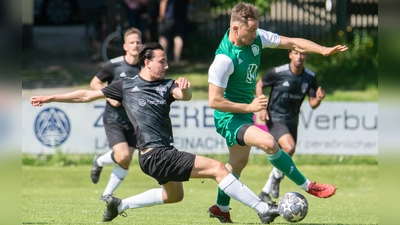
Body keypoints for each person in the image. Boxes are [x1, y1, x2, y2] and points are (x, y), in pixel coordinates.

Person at [30, 42, 282, 224]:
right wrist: (51, 97)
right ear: (147, 62)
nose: (167, 65)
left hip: (156, 156)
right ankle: (262, 209)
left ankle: (120, 205)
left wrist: (185, 91)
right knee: (218, 168)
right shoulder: (126, 85)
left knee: (174, 196)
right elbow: (86, 94)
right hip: (154, 155)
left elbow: (184, 95)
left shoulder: (167, 85)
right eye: (162, 61)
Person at [207, 2, 347, 223]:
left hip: (244, 113)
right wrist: (251, 107)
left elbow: (292, 42)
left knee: (236, 165)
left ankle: (221, 208)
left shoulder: (256, 38)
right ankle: (308, 185)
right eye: (251, 30)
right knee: (270, 143)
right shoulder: (223, 60)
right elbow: (214, 101)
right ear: (235, 28)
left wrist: (322, 50)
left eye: (256, 29)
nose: (255, 35)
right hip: (228, 117)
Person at [256, 50, 325, 204]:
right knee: (289, 147)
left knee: (285, 156)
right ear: (290, 55)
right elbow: (259, 84)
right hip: (275, 117)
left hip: (292, 120)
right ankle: (275, 177)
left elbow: (313, 103)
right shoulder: (278, 72)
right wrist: (262, 107)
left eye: (302, 54)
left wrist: (319, 99)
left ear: (306, 56)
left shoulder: (310, 77)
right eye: (296, 53)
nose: (299, 57)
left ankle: (265, 192)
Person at [89, 27, 142, 200]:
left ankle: (106, 194)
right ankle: (99, 161)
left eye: (138, 42)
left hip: (135, 122)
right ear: (125, 46)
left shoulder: (145, 66)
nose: (135, 45)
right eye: (131, 42)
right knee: (123, 155)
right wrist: (110, 97)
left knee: (126, 160)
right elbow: (94, 83)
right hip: (114, 119)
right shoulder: (114, 65)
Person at [158, 0, 190, 67]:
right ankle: (176, 62)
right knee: (178, 37)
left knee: (163, 37)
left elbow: (164, 1)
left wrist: (161, 16)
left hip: (169, 17)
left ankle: (162, 61)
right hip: (181, 17)